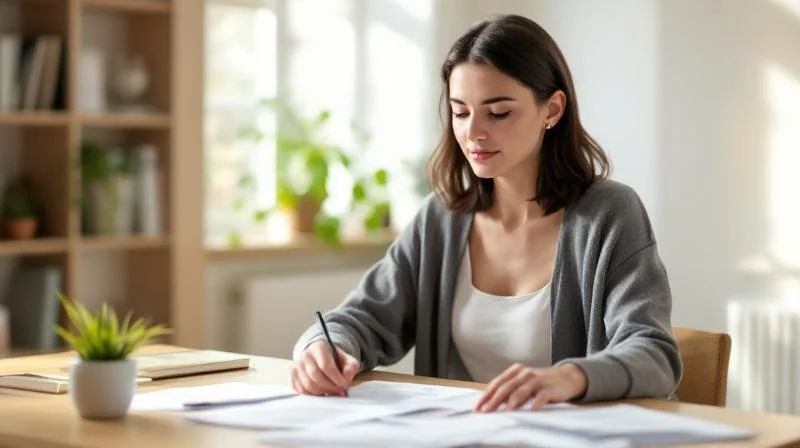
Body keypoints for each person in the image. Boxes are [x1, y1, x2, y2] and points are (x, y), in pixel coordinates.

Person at [291, 13, 682, 412]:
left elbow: (654, 354)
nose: (473, 132)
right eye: (461, 112)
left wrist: (569, 376)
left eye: (498, 113)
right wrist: (324, 345)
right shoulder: (441, 218)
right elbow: (363, 318)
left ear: (552, 110)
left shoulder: (610, 215)